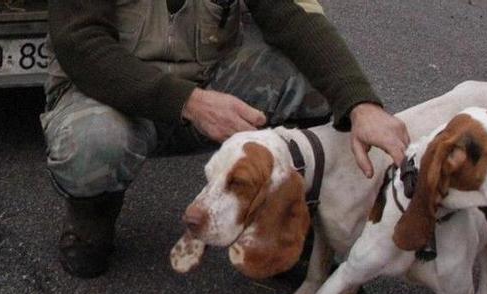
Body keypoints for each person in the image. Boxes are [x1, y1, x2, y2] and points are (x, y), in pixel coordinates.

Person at [41, 0, 410, 278]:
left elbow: (294, 17)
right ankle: (92, 218)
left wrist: (360, 103)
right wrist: (188, 102)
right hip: (111, 94)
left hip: (206, 83)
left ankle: (281, 227)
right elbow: (81, 43)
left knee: (311, 84)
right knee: (92, 142)